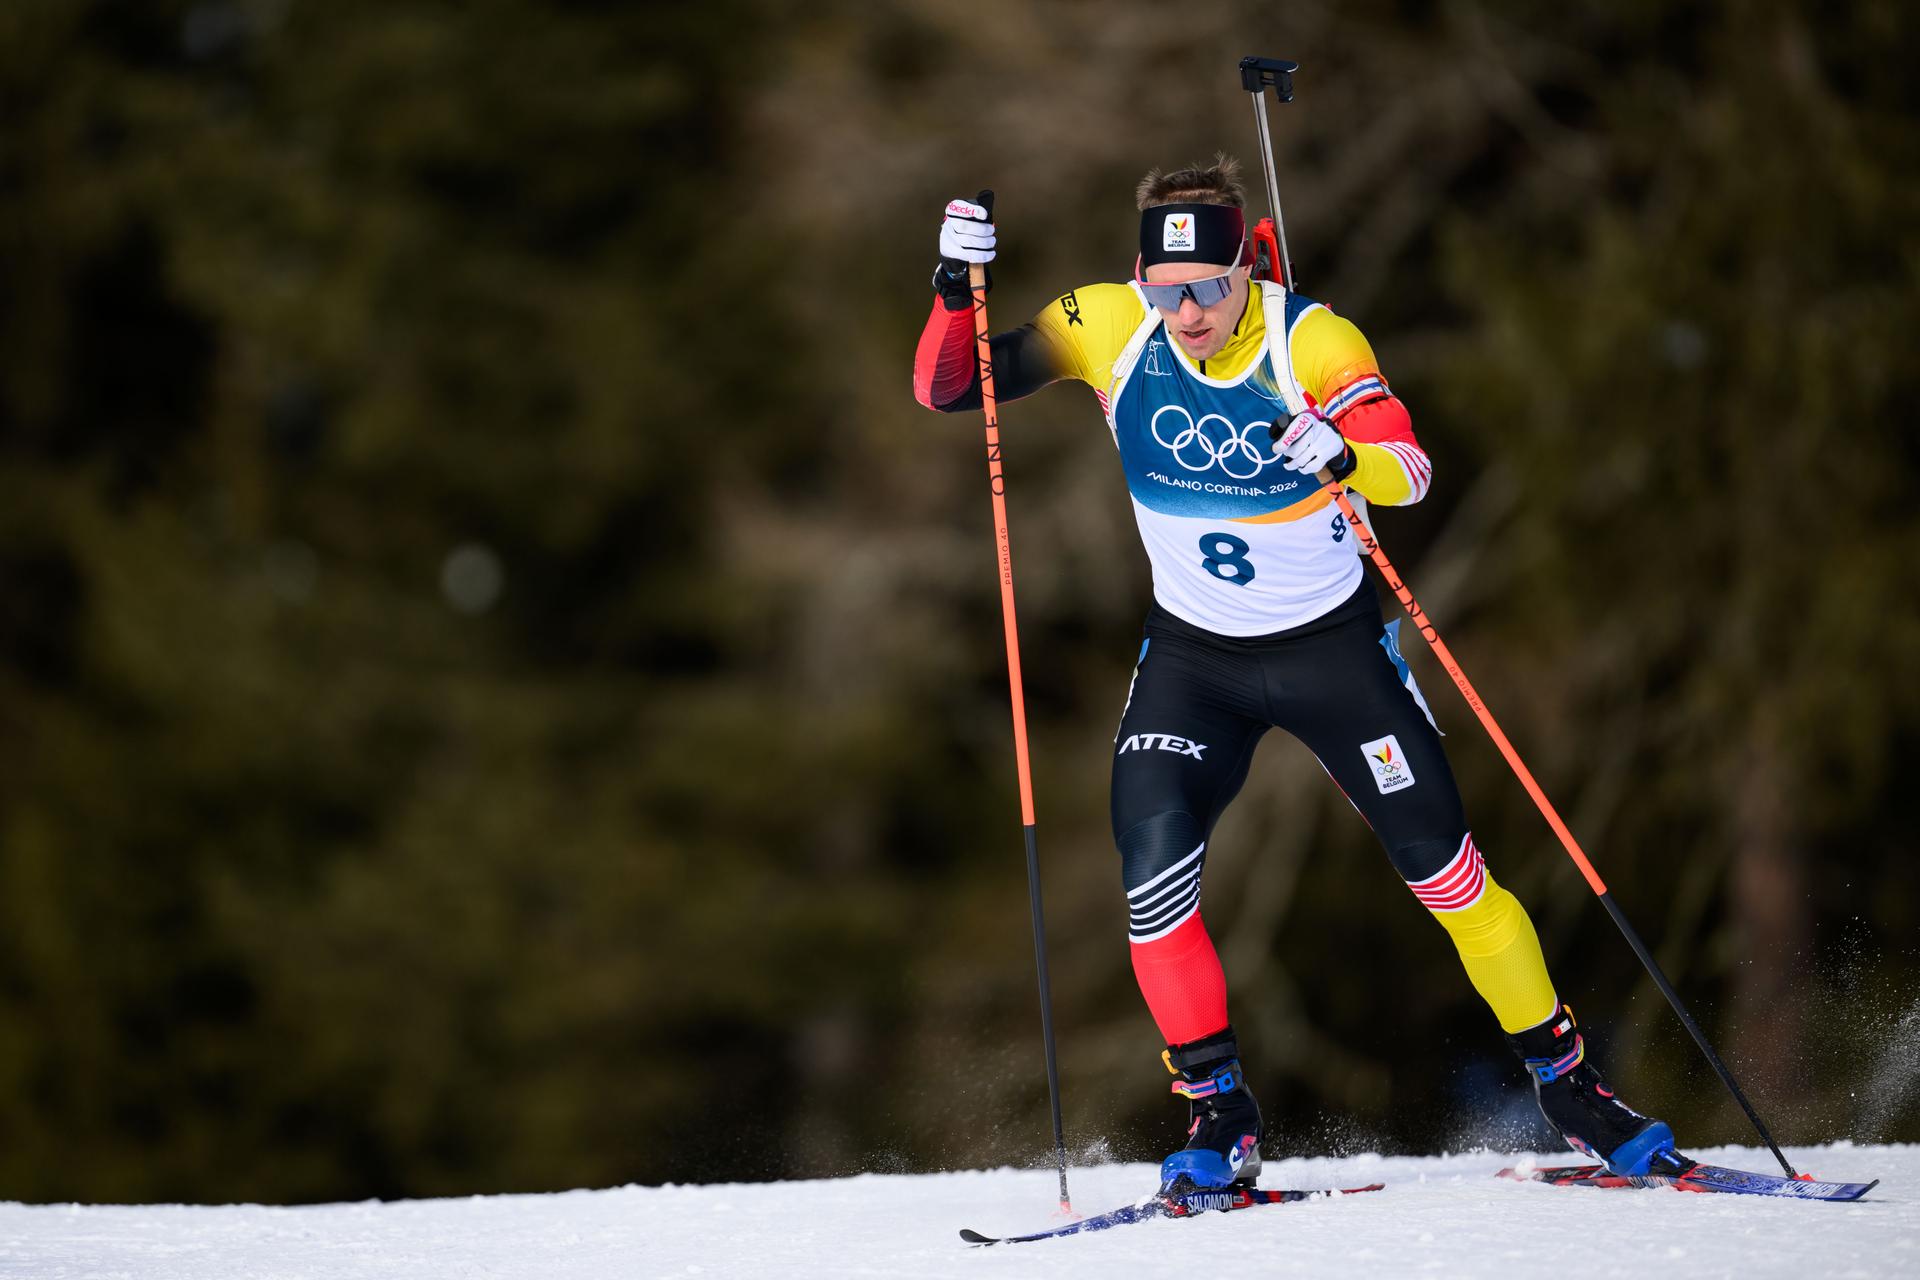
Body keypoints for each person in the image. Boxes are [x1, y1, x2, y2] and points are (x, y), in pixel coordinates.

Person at [912, 157, 1680, 1194]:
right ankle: (1217, 1109)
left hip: (1329, 653)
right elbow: (949, 387)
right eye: (1164, 287)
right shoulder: (1106, 324)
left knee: (1446, 872)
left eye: (1209, 289)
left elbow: (1408, 469)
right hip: (1194, 659)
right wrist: (954, 292)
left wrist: (1342, 453)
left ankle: (1568, 1081)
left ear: (1247, 269)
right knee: (1150, 873)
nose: (1185, 312)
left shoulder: (1308, 337)